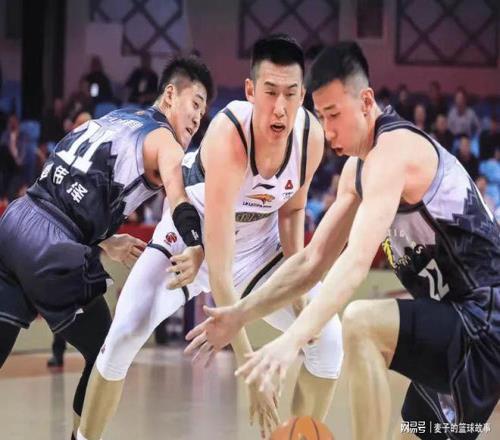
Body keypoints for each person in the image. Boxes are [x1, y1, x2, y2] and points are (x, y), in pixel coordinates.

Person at [186, 42, 500, 440]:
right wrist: (240, 314)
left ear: (366, 101)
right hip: (455, 332)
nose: (328, 129)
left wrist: (292, 340)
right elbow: (310, 261)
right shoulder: (356, 171)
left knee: (361, 323)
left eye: (334, 114)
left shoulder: (394, 152)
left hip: (485, 320)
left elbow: (354, 264)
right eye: (321, 116)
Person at [79, 34, 343, 440]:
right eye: (270, 92)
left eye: (291, 94)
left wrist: (299, 291)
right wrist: (252, 370)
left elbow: (292, 212)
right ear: (250, 91)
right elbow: (219, 267)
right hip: (191, 240)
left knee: (327, 338)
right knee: (122, 337)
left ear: (303, 95)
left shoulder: (311, 138)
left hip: (258, 247)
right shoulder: (228, 135)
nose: (280, 107)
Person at [0, 55, 213, 439]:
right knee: (106, 351)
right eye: (195, 103)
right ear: (169, 95)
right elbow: (179, 202)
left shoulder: (114, 118)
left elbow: (69, 184)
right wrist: (197, 245)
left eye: (204, 111)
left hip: (15, 221)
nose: (198, 118)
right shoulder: (165, 142)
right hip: (51, 245)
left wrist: (105, 239)